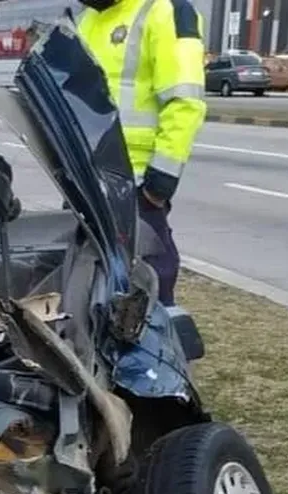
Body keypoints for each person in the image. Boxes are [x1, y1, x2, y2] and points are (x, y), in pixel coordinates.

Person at [77, 0, 206, 306]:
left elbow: (185, 103)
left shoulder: (164, 10)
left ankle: (158, 348)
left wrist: (158, 184)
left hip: (133, 183)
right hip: (85, 179)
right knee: (85, 284)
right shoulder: (87, 19)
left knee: (150, 283)